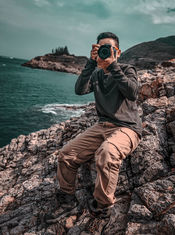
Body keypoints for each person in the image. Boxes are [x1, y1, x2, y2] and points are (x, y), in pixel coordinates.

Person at [45, 32, 142, 223]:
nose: (105, 52)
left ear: (118, 52)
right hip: (102, 126)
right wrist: (91, 63)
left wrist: (113, 66)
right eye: (101, 49)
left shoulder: (127, 69)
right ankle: (67, 201)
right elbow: (79, 90)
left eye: (109, 49)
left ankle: (103, 205)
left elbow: (132, 92)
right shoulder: (97, 74)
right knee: (66, 154)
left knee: (106, 154)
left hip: (127, 128)